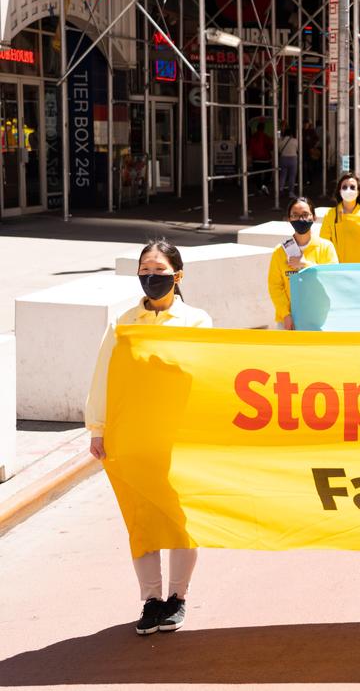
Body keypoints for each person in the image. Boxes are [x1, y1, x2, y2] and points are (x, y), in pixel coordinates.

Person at [86, 239, 213, 636]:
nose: (151, 278)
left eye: (159, 271)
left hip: (176, 437)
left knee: (178, 518)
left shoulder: (197, 321)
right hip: (131, 437)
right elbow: (103, 375)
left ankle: (177, 597)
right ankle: (151, 600)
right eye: (145, 271)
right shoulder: (122, 323)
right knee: (140, 520)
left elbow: (207, 376)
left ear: (177, 275)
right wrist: (98, 428)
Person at [268, 197, 339, 330]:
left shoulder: (326, 247)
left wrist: (305, 265)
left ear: (314, 217)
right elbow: (275, 287)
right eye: (295, 215)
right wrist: (286, 315)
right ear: (289, 219)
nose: (300, 219)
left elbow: (333, 279)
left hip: (320, 319)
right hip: (289, 321)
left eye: (305, 214)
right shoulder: (280, 251)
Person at [319, 171, 360, 259]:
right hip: (339, 267)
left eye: (352, 187)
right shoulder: (330, 214)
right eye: (344, 187)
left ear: (359, 191)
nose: (348, 190)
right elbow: (324, 242)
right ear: (339, 191)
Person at [277, 123, 299, 198]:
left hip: (283, 158)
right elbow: (297, 149)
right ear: (291, 134)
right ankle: (291, 192)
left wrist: (279, 131)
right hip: (293, 159)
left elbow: (278, 148)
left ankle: (280, 189)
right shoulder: (295, 140)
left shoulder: (281, 140)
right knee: (292, 176)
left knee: (283, 175)